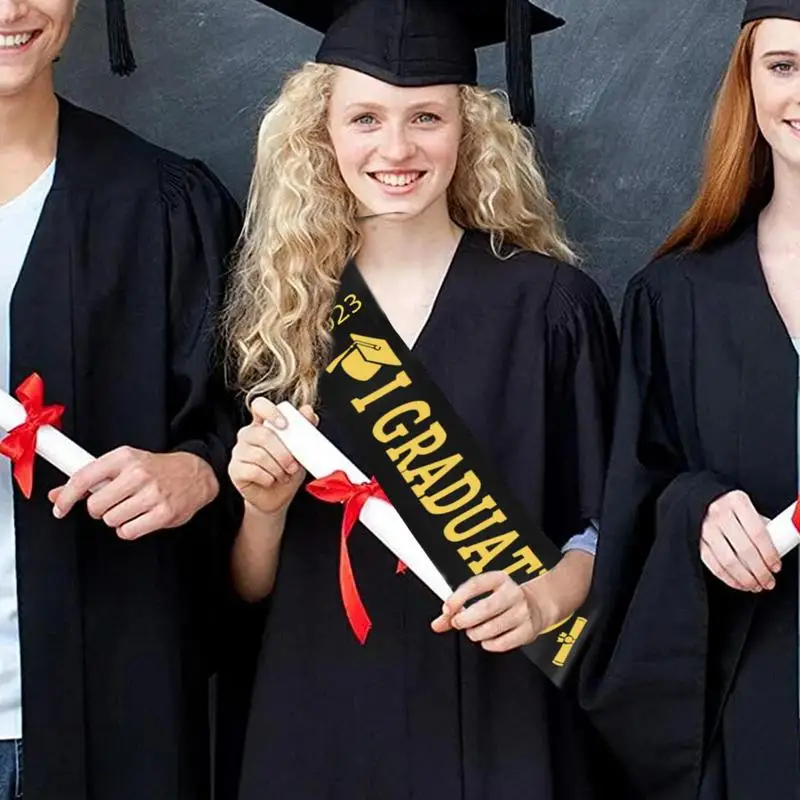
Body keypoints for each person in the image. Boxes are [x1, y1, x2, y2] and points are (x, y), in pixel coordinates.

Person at [223, 1, 627, 797]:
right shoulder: (284, 318)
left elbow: (616, 526)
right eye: (365, 117)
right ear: (322, 133)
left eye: (427, 117)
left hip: (506, 712)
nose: (397, 148)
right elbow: (247, 589)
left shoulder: (550, 306)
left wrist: (546, 596)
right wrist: (263, 509)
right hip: (323, 717)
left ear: (468, 130)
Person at [0, 0, 241, 797]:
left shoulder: (163, 204)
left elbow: (244, 420)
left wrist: (198, 471)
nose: (11, 8)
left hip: (110, 706)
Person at [581, 1, 800, 797]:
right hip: (750, 701)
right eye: (783, 66)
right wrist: (698, 510)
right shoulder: (677, 297)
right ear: (748, 82)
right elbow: (636, 490)